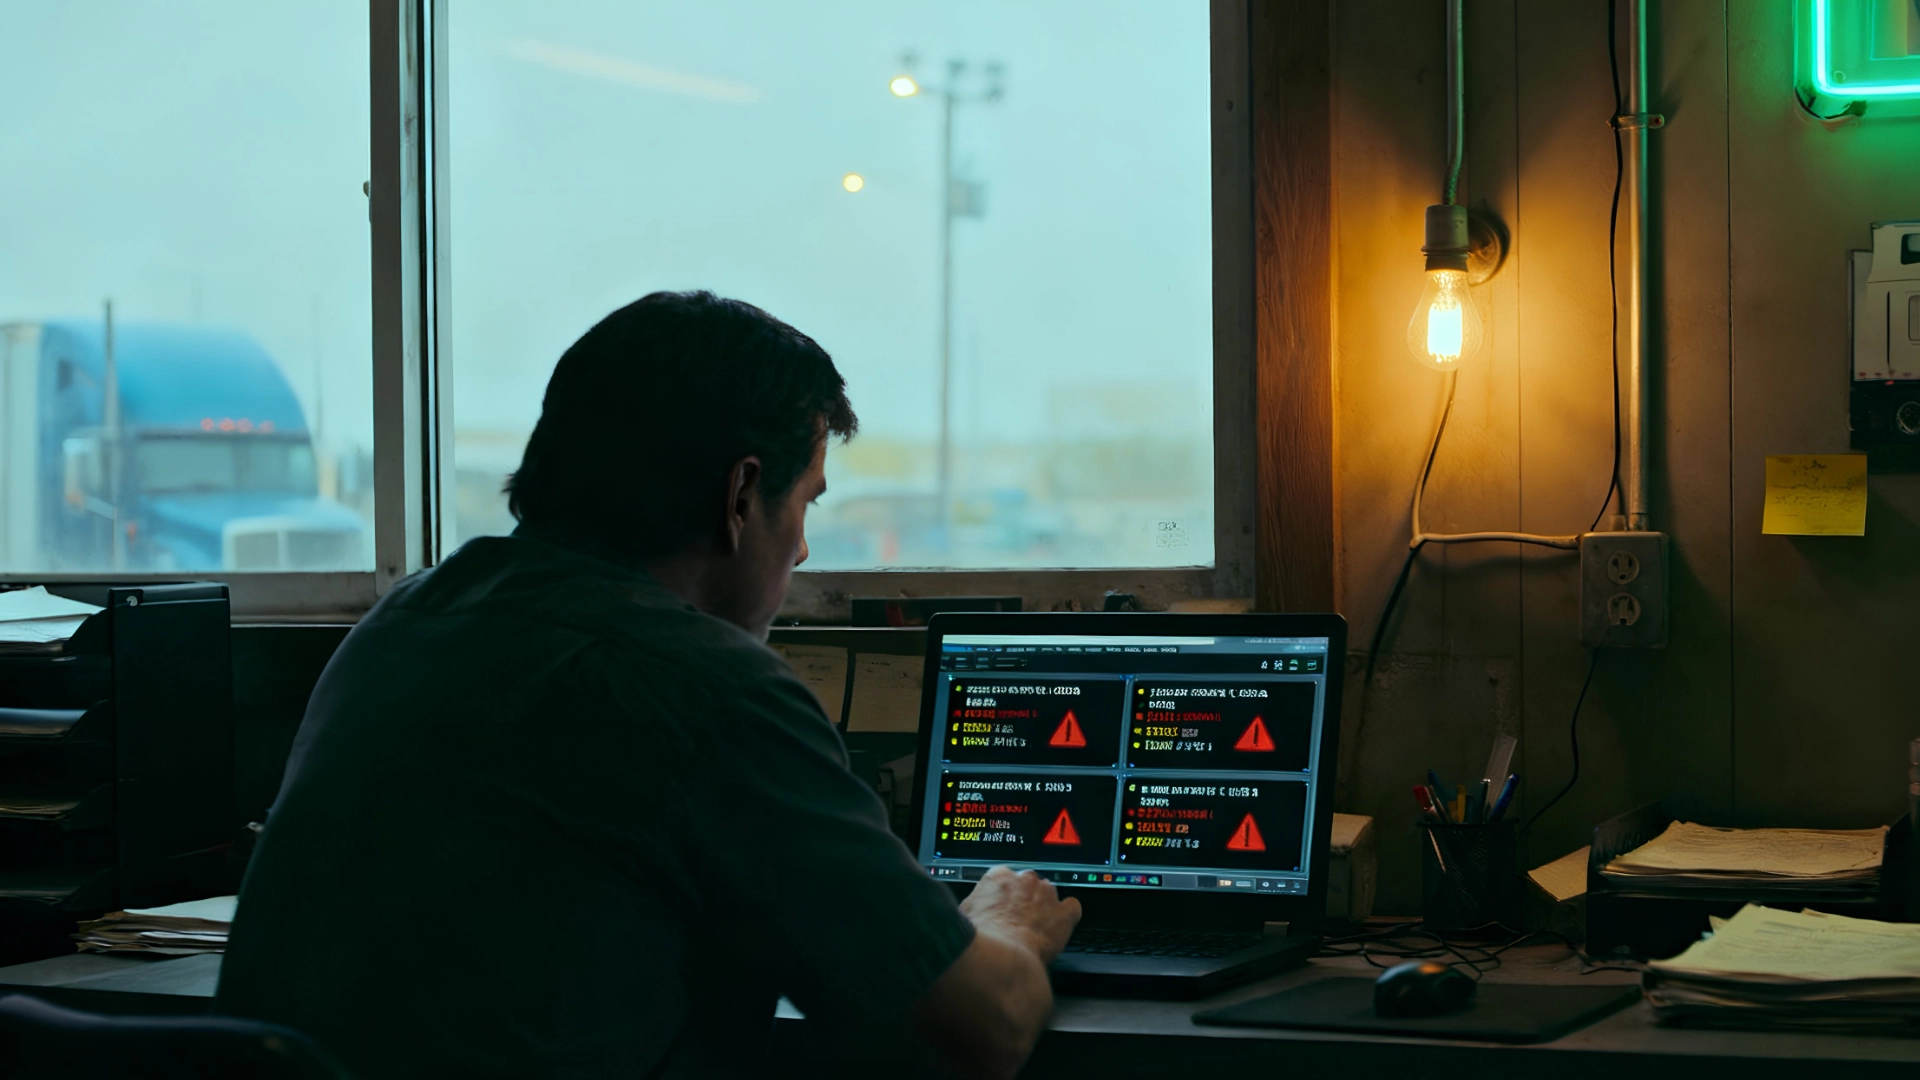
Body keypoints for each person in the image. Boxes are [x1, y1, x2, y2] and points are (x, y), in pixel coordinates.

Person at [216, 291, 1080, 1078]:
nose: (804, 550)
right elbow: (982, 1030)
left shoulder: (404, 625)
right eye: (807, 503)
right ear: (741, 495)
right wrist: (1008, 921)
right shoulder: (704, 687)